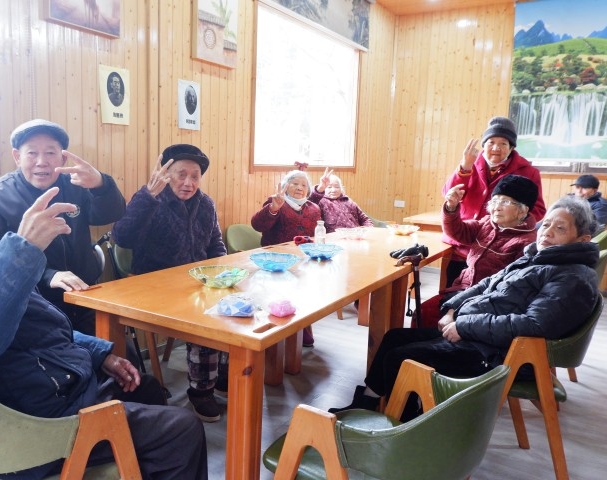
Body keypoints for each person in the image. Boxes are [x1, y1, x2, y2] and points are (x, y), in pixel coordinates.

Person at [0, 156, 208, 480]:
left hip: (45, 387)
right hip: (30, 426)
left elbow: (34, 330)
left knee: (146, 386)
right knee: (182, 429)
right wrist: (22, 250)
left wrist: (99, 355)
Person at [329, 195, 599, 418]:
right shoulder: (538, 257)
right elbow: (487, 284)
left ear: (582, 240)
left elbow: (534, 325)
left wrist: (465, 325)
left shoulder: (573, 277)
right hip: (480, 337)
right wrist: (452, 309)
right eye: (546, 224)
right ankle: (367, 404)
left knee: (401, 357)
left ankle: (405, 422)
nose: (547, 232)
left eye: (560, 228)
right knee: (393, 338)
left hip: (499, 355)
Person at [112, 144, 228, 423]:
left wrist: (221, 273)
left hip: (196, 283)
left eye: (195, 176)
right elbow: (122, 237)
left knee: (231, 306)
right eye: (181, 174)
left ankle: (221, 373)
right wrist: (147, 196)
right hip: (154, 286)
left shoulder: (206, 204)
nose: (188, 183)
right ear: (165, 174)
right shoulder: (151, 199)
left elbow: (215, 243)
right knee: (205, 320)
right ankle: (201, 390)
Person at [0, 119, 126, 338]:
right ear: (17, 157)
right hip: (35, 305)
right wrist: (48, 275)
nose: (42, 162)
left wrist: (101, 185)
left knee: (121, 352)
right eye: (32, 153)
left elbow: (110, 214)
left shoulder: (76, 185)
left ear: (63, 158)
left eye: (50, 153)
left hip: (85, 295)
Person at [419, 174, 539, 328]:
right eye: (495, 200)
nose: (497, 207)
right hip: (461, 290)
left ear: (523, 211)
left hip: (486, 301)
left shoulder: (527, 243)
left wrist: (459, 308)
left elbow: (508, 291)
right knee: (422, 313)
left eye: (505, 202)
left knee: (427, 315)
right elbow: (458, 231)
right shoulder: (487, 223)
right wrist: (451, 207)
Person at [442, 116, 546, 286]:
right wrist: (465, 167)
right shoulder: (470, 162)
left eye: (503, 143)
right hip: (461, 243)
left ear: (511, 147)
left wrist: (506, 225)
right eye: (491, 142)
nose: (496, 148)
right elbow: (449, 194)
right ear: (483, 145)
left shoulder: (528, 171)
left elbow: (538, 209)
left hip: (500, 250)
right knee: (454, 288)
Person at [251, 169, 322, 346]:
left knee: (305, 291)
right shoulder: (277, 202)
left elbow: (317, 234)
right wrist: (273, 209)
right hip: (276, 261)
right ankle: (274, 331)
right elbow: (257, 225)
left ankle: (301, 327)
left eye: (303, 185)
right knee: (279, 294)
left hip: (303, 260)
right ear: (285, 186)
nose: (299, 187)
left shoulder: (313, 208)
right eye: (295, 183)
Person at [308, 167, 374, 232]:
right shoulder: (320, 201)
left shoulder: (349, 201)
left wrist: (367, 230)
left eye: (337, 187)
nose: (333, 190)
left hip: (355, 236)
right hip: (333, 237)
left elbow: (365, 219)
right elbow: (309, 204)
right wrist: (320, 188)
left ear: (341, 188)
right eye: (329, 187)